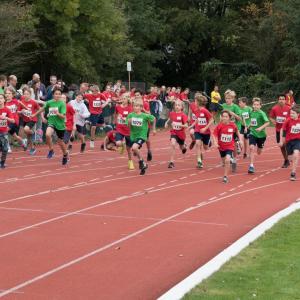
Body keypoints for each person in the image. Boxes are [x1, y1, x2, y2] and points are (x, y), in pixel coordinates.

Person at [32, 88, 69, 165]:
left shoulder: (62, 104)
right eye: (56, 94)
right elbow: (42, 109)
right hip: (51, 122)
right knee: (47, 134)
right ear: (53, 95)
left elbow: (63, 116)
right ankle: (51, 150)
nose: (57, 95)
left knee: (60, 142)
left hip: (60, 125)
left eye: (59, 94)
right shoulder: (49, 102)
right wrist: (34, 114)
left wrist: (57, 113)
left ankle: (65, 154)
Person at [126, 100, 156, 175]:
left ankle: (141, 162)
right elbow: (129, 127)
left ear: (141, 107)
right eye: (134, 106)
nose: (135, 107)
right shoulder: (130, 115)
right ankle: (143, 163)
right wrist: (129, 122)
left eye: (137, 106)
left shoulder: (144, 115)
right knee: (134, 150)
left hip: (142, 135)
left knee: (134, 147)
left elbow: (154, 118)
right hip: (133, 136)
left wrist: (154, 129)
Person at [213, 110, 240, 183]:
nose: (224, 118)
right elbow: (214, 134)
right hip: (221, 146)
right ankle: (226, 163)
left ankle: (225, 176)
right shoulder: (219, 126)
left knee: (227, 160)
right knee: (224, 162)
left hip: (230, 146)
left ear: (229, 118)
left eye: (226, 117)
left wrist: (240, 140)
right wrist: (215, 142)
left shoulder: (233, 125)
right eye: (223, 116)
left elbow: (237, 131)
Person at [190, 95, 213, 169]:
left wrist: (205, 128)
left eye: (195, 101)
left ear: (199, 102)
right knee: (197, 144)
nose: (194, 102)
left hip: (206, 132)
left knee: (206, 147)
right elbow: (197, 119)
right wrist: (191, 126)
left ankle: (209, 142)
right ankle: (199, 161)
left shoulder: (205, 110)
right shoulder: (196, 110)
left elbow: (212, 119)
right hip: (198, 131)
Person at [248, 98, 270, 174]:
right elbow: (252, 121)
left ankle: (260, 147)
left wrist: (260, 128)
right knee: (251, 148)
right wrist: (249, 125)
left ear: (260, 106)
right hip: (253, 133)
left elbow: (267, 123)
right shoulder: (251, 112)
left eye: (257, 105)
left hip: (261, 135)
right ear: (252, 105)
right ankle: (251, 166)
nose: (256, 106)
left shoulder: (262, 113)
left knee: (259, 152)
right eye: (254, 104)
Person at [221, 90, 242, 171]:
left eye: (229, 98)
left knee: (234, 146)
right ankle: (228, 158)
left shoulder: (235, 107)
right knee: (225, 144)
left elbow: (240, 119)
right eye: (226, 98)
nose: (227, 100)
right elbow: (222, 117)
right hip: (225, 128)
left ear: (232, 98)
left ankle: (234, 160)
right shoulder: (223, 105)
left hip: (235, 128)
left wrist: (232, 114)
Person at [165, 100, 188, 168]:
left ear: (182, 107)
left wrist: (180, 125)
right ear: (174, 106)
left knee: (181, 147)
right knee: (173, 144)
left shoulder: (183, 115)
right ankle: (171, 162)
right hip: (174, 132)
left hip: (181, 134)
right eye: (176, 105)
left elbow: (186, 125)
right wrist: (166, 122)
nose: (177, 106)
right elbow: (170, 118)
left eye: (179, 105)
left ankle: (184, 146)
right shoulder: (172, 113)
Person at [269, 94, 290, 168]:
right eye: (280, 99)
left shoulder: (289, 108)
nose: (281, 100)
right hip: (278, 130)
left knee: (287, 144)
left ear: (285, 100)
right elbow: (271, 117)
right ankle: (286, 160)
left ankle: (289, 156)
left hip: (287, 130)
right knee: (281, 146)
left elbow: (294, 116)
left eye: (283, 99)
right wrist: (273, 121)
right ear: (278, 100)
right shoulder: (274, 108)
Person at [18, 87, 40, 155]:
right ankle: (32, 148)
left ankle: (33, 132)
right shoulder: (22, 102)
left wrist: (39, 116)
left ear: (30, 95)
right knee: (28, 136)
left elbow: (40, 109)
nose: (26, 95)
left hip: (32, 120)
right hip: (25, 120)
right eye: (24, 94)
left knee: (26, 129)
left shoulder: (33, 102)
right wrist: (21, 111)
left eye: (27, 94)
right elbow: (18, 112)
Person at [115, 93, 134, 170]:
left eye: (124, 99)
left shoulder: (130, 108)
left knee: (128, 149)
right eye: (122, 98)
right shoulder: (118, 107)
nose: (123, 100)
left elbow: (131, 119)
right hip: (119, 128)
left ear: (127, 100)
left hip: (128, 130)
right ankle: (122, 145)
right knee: (118, 143)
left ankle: (130, 161)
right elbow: (116, 114)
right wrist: (116, 121)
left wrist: (124, 119)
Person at [4, 87, 27, 152]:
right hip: (7, 121)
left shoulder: (15, 101)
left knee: (5, 131)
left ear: (13, 94)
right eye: (6, 93)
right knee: (15, 136)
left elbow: (21, 103)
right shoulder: (4, 103)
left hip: (14, 121)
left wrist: (26, 108)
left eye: (9, 93)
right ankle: (23, 141)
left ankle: (7, 147)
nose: (7, 95)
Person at [281, 105, 300, 181]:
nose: (291, 115)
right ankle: (290, 160)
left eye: (293, 113)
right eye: (291, 113)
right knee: (290, 157)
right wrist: (281, 139)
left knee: (296, 154)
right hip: (289, 141)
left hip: (297, 140)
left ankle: (293, 172)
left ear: (298, 114)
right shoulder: (288, 120)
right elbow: (283, 129)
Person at [0, 94, 15, 168]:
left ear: (4, 100)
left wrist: (5, 118)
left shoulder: (7, 110)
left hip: (4, 132)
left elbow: (13, 120)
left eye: (1, 98)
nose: (0, 100)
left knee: (5, 148)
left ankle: (2, 162)